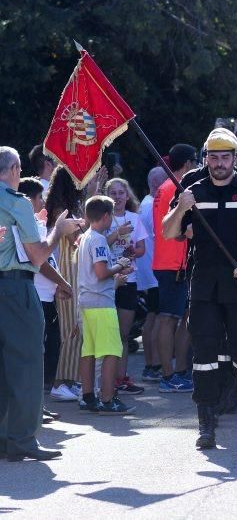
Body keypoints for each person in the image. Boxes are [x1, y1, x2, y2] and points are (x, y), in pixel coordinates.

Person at [163, 128, 237, 448]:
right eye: (213, 157)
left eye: (225, 157)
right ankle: (206, 422)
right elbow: (168, 232)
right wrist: (181, 208)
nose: (219, 163)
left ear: (234, 158)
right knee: (203, 353)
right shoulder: (191, 187)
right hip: (203, 283)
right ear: (206, 159)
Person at [0, 146, 82, 460]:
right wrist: (58, 230)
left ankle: (5, 436)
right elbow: (37, 254)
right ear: (13, 170)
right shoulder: (16, 202)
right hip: (15, 289)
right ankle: (22, 439)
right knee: (26, 365)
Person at [46, 163, 107, 402]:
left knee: (76, 328)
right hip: (66, 272)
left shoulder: (67, 207)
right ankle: (61, 382)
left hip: (73, 271)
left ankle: (69, 380)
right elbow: (78, 237)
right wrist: (94, 192)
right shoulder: (61, 209)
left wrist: (95, 190)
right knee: (70, 329)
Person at [76, 195, 136, 415]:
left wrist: (115, 273)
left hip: (86, 301)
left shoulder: (86, 237)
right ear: (105, 216)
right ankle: (108, 399)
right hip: (101, 302)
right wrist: (119, 266)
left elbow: (96, 272)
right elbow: (101, 273)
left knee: (89, 351)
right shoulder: (99, 239)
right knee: (112, 350)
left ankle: (88, 396)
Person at [152, 144, 196, 394]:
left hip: (172, 263)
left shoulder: (165, 187)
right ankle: (168, 375)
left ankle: (179, 371)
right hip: (173, 264)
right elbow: (175, 229)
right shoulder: (176, 188)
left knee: (181, 319)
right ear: (188, 164)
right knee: (168, 319)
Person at [104, 178, 146, 395]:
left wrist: (132, 252)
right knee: (106, 333)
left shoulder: (134, 218)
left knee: (123, 334)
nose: (117, 197)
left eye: (121, 193)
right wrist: (116, 235)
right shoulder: (102, 218)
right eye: (113, 192)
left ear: (127, 196)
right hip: (105, 280)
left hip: (128, 279)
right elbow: (96, 244)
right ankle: (104, 380)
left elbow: (141, 248)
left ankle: (121, 378)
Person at [137, 167, 168, 382]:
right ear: (157, 183)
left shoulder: (146, 204)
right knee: (156, 316)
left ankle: (152, 363)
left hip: (150, 270)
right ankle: (154, 364)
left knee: (153, 315)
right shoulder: (150, 206)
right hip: (155, 270)